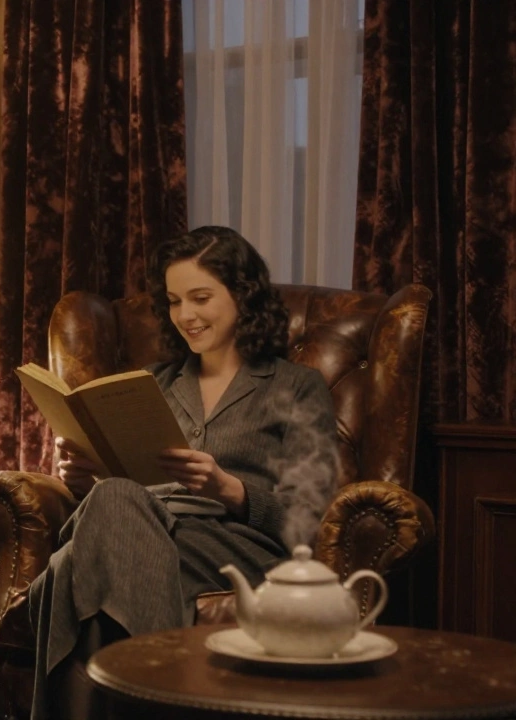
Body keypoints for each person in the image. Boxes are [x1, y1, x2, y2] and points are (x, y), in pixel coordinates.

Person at [27, 225, 339, 719]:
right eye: (174, 302)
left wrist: (230, 489)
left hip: (231, 545)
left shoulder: (296, 386)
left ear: (243, 294)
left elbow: (311, 520)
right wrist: (83, 479)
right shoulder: (152, 383)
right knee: (114, 500)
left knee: (73, 563)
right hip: (136, 527)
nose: (185, 316)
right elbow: (118, 492)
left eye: (200, 298)